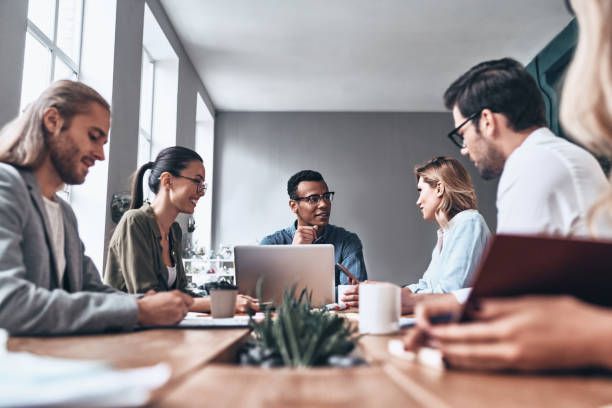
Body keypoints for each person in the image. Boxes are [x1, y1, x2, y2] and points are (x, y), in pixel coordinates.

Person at [404, 0, 612, 371]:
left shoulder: (533, 164)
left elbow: (510, 299)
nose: (464, 149)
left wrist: (425, 309)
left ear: (487, 121)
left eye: (461, 133)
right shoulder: (551, 157)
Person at [0, 80, 193, 335]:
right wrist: (139, 310)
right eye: (93, 137)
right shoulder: (6, 186)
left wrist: (148, 306)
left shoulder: (64, 213)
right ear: (52, 121)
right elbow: (9, 304)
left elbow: (92, 289)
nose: (101, 155)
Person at [104, 147, 256, 313]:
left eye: (202, 185)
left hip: (161, 330)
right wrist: (219, 303)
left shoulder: (174, 231)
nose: (201, 192)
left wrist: (228, 299)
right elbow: (148, 299)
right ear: (168, 180)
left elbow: (181, 293)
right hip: (126, 333)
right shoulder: (135, 221)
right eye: (197, 182)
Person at [343, 157, 491, 312]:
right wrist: (383, 290)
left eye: (420, 191)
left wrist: (388, 296)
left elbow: (449, 294)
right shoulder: (446, 232)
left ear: (439, 188)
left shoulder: (469, 222)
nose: (418, 201)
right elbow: (426, 285)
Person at [260, 170, 367, 285]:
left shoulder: (347, 242)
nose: (324, 204)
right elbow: (265, 296)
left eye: (326, 196)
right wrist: (293, 254)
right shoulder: (271, 245)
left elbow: (351, 295)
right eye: (313, 199)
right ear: (294, 206)